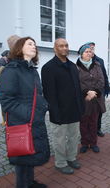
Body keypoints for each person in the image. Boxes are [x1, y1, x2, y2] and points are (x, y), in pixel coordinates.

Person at [0, 37, 50, 188]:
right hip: (22, 121)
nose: (34, 46)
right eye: (30, 44)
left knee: (30, 153)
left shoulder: (32, 70)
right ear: (20, 48)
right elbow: (7, 101)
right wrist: (30, 114)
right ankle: (23, 185)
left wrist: (44, 106)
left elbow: (37, 94)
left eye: (34, 44)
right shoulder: (11, 70)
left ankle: (30, 183)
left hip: (34, 120)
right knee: (22, 157)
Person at [41, 38, 84, 175]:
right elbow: (49, 94)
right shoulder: (48, 68)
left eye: (66, 46)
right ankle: (60, 163)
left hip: (74, 110)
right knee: (59, 140)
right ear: (55, 48)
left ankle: (71, 158)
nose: (64, 48)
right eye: (61, 46)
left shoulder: (72, 66)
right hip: (59, 111)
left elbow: (77, 88)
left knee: (74, 137)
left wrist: (80, 106)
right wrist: (54, 112)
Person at [76, 44, 106, 153]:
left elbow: (101, 80)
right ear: (81, 54)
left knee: (94, 121)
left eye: (90, 51)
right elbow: (77, 83)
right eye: (86, 52)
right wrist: (87, 92)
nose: (89, 53)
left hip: (96, 98)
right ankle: (84, 143)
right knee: (84, 122)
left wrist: (94, 92)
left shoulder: (97, 65)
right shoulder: (76, 67)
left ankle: (93, 143)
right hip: (84, 99)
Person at [0, 35, 20, 125]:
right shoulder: (3, 62)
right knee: (10, 122)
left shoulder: (21, 58)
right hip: (10, 99)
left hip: (19, 99)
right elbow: (2, 83)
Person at [86, 42, 109, 137]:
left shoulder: (100, 60)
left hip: (99, 91)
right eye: (89, 48)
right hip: (88, 91)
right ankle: (88, 130)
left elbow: (104, 75)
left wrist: (107, 89)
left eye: (93, 48)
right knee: (88, 111)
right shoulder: (83, 60)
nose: (91, 50)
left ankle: (97, 129)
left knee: (99, 111)